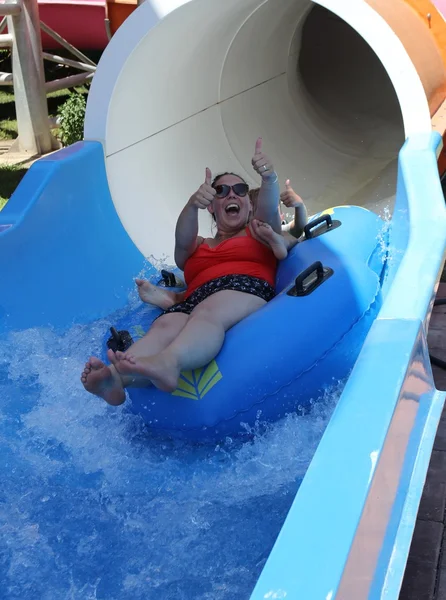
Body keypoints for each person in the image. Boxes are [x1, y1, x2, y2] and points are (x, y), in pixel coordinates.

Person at [81, 138, 286, 404]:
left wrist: (269, 178)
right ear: (211, 206)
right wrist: (192, 204)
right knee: (166, 325)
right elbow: (182, 239)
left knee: (207, 313)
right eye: (221, 191)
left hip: (241, 287)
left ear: (249, 204)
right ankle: (116, 378)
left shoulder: (257, 231)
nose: (232, 194)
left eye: (240, 189)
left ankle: (169, 363)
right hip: (195, 297)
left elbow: (270, 211)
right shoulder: (197, 246)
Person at [136, 179, 309, 310]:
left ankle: (176, 299)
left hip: (237, 291)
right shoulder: (251, 229)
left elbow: (296, 229)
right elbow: (184, 245)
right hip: (206, 287)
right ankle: (176, 298)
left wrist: (299, 206)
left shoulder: (263, 232)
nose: (278, 216)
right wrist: (193, 205)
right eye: (222, 191)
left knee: (279, 237)